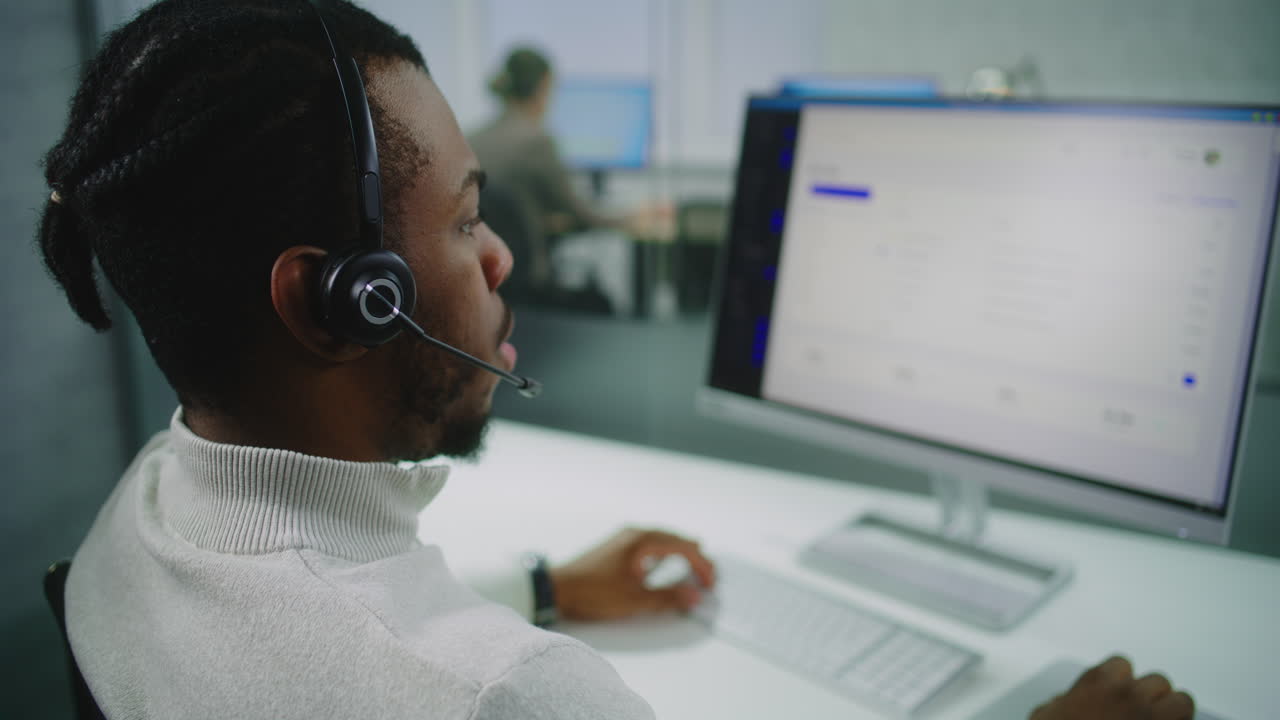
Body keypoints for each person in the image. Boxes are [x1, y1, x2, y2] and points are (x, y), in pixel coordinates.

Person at [36, 1, 1193, 718]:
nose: (496, 259)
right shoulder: (505, 694)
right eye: (460, 222)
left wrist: (537, 591)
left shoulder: (130, 522)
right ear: (338, 300)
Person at [468, 47, 671, 296]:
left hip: (483, 275)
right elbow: (581, 214)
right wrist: (634, 216)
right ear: (543, 87)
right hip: (526, 280)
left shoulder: (473, 139)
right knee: (601, 301)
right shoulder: (536, 141)